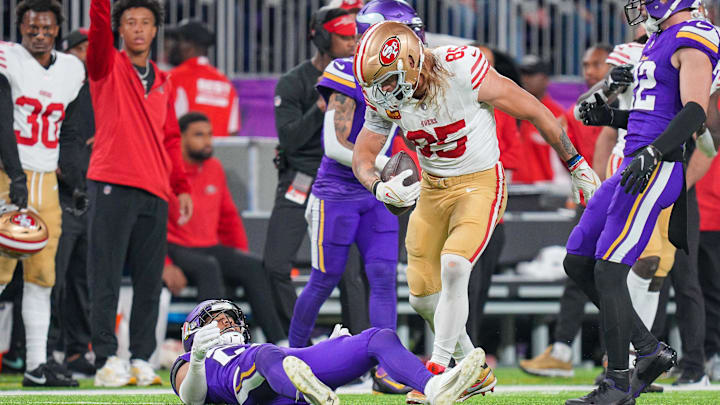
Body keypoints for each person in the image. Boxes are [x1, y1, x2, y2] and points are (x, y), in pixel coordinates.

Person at [350, 20, 599, 404]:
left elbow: (534, 110)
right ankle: (474, 370)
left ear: (413, 61)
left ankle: (438, 374)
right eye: (376, 85)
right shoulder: (388, 96)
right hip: (432, 190)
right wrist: (378, 186)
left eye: (387, 82)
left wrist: (576, 165)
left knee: (454, 266)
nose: (382, 94)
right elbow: (363, 156)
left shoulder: (462, 69)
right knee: (421, 297)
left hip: (480, 182)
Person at [567, 0, 719, 402]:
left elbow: (693, 112)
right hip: (635, 160)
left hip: (656, 165)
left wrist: (654, 153)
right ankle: (650, 352)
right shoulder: (658, 38)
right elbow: (653, 111)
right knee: (578, 260)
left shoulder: (694, 35)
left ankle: (618, 383)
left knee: (610, 269)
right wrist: (612, 120)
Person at [87, 0, 193, 387]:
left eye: (145, 23)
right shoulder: (105, 65)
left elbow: (170, 138)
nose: (137, 29)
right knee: (105, 277)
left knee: (150, 281)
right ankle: (103, 361)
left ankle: (140, 358)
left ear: (154, 31)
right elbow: (98, 26)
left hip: (155, 191)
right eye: (129, 22)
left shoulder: (163, 80)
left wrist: (179, 186)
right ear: (119, 29)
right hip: (111, 182)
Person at [0, 0, 86, 387]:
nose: (38, 34)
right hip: (6, 175)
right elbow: (1, 119)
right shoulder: (7, 58)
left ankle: (36, 365)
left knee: (42, 277)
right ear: (21, 29)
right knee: (0, 270)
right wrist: (14, 175)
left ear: (57, 30)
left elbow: (69, 130)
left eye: (46, 28)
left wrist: (76, 180)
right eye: (32, 28)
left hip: (47, 181)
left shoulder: (71, 69)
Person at [171, 299, 486, 405]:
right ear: (192, 332)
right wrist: (198, 359)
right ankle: (311, 394)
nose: (226, 321)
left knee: (379, 337)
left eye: (230, 318)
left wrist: (326, 348)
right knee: (268, 356)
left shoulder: (254, 346)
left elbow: (289, 359)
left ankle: (435, 388)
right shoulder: (191, 359)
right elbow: (192, 399)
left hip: (278, 370)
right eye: (216, 319)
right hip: (247, 386)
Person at [264, 6, 357, 332]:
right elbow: (290, 140)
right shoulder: (293, 82)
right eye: (344, 36)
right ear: (321, 37)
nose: (352, 42)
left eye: (354, 36)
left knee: (351, 272)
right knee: (274, 264)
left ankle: (361, 349)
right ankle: (302, 339)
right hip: (301, 177)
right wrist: (322, 103)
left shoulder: (362, 79)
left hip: (344, 182)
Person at [164, 112, 287, 345]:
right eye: (199, 135)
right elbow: (151, 226)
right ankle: (214, 345)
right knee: (209, 268)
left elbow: (229, 218)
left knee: (252, 266)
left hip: (209, 246)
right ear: (180, 139)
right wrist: (165, 265)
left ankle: (279, 342)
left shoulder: (214, 168)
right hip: (175, 247)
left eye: (209, 135)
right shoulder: (167, 169)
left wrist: (238, 258)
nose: (208, 141)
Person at [46, 27, 97, 379]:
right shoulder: (53, 88)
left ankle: (79, 350)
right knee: (52, 278)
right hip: (56, 193)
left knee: (83, 278)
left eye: (89, 51)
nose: (84, 56)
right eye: (78, 50)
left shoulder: (104, 93)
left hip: (92, 196)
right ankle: (45, 350)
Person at [167, 20, 240, 137]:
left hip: (183, 153)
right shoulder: (226, 83)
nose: (171, 46)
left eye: (177, 41)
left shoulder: (174, 78)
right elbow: (233, 131)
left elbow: (164, 123)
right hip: (219, 153)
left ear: (188, 46)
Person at [512, 55, 567, 184]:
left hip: (547, 189)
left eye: (531, 74)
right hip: (515, 187)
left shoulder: (557, 115)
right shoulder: (512, 110)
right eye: (523, 74)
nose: (525, 79)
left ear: (545, 79)